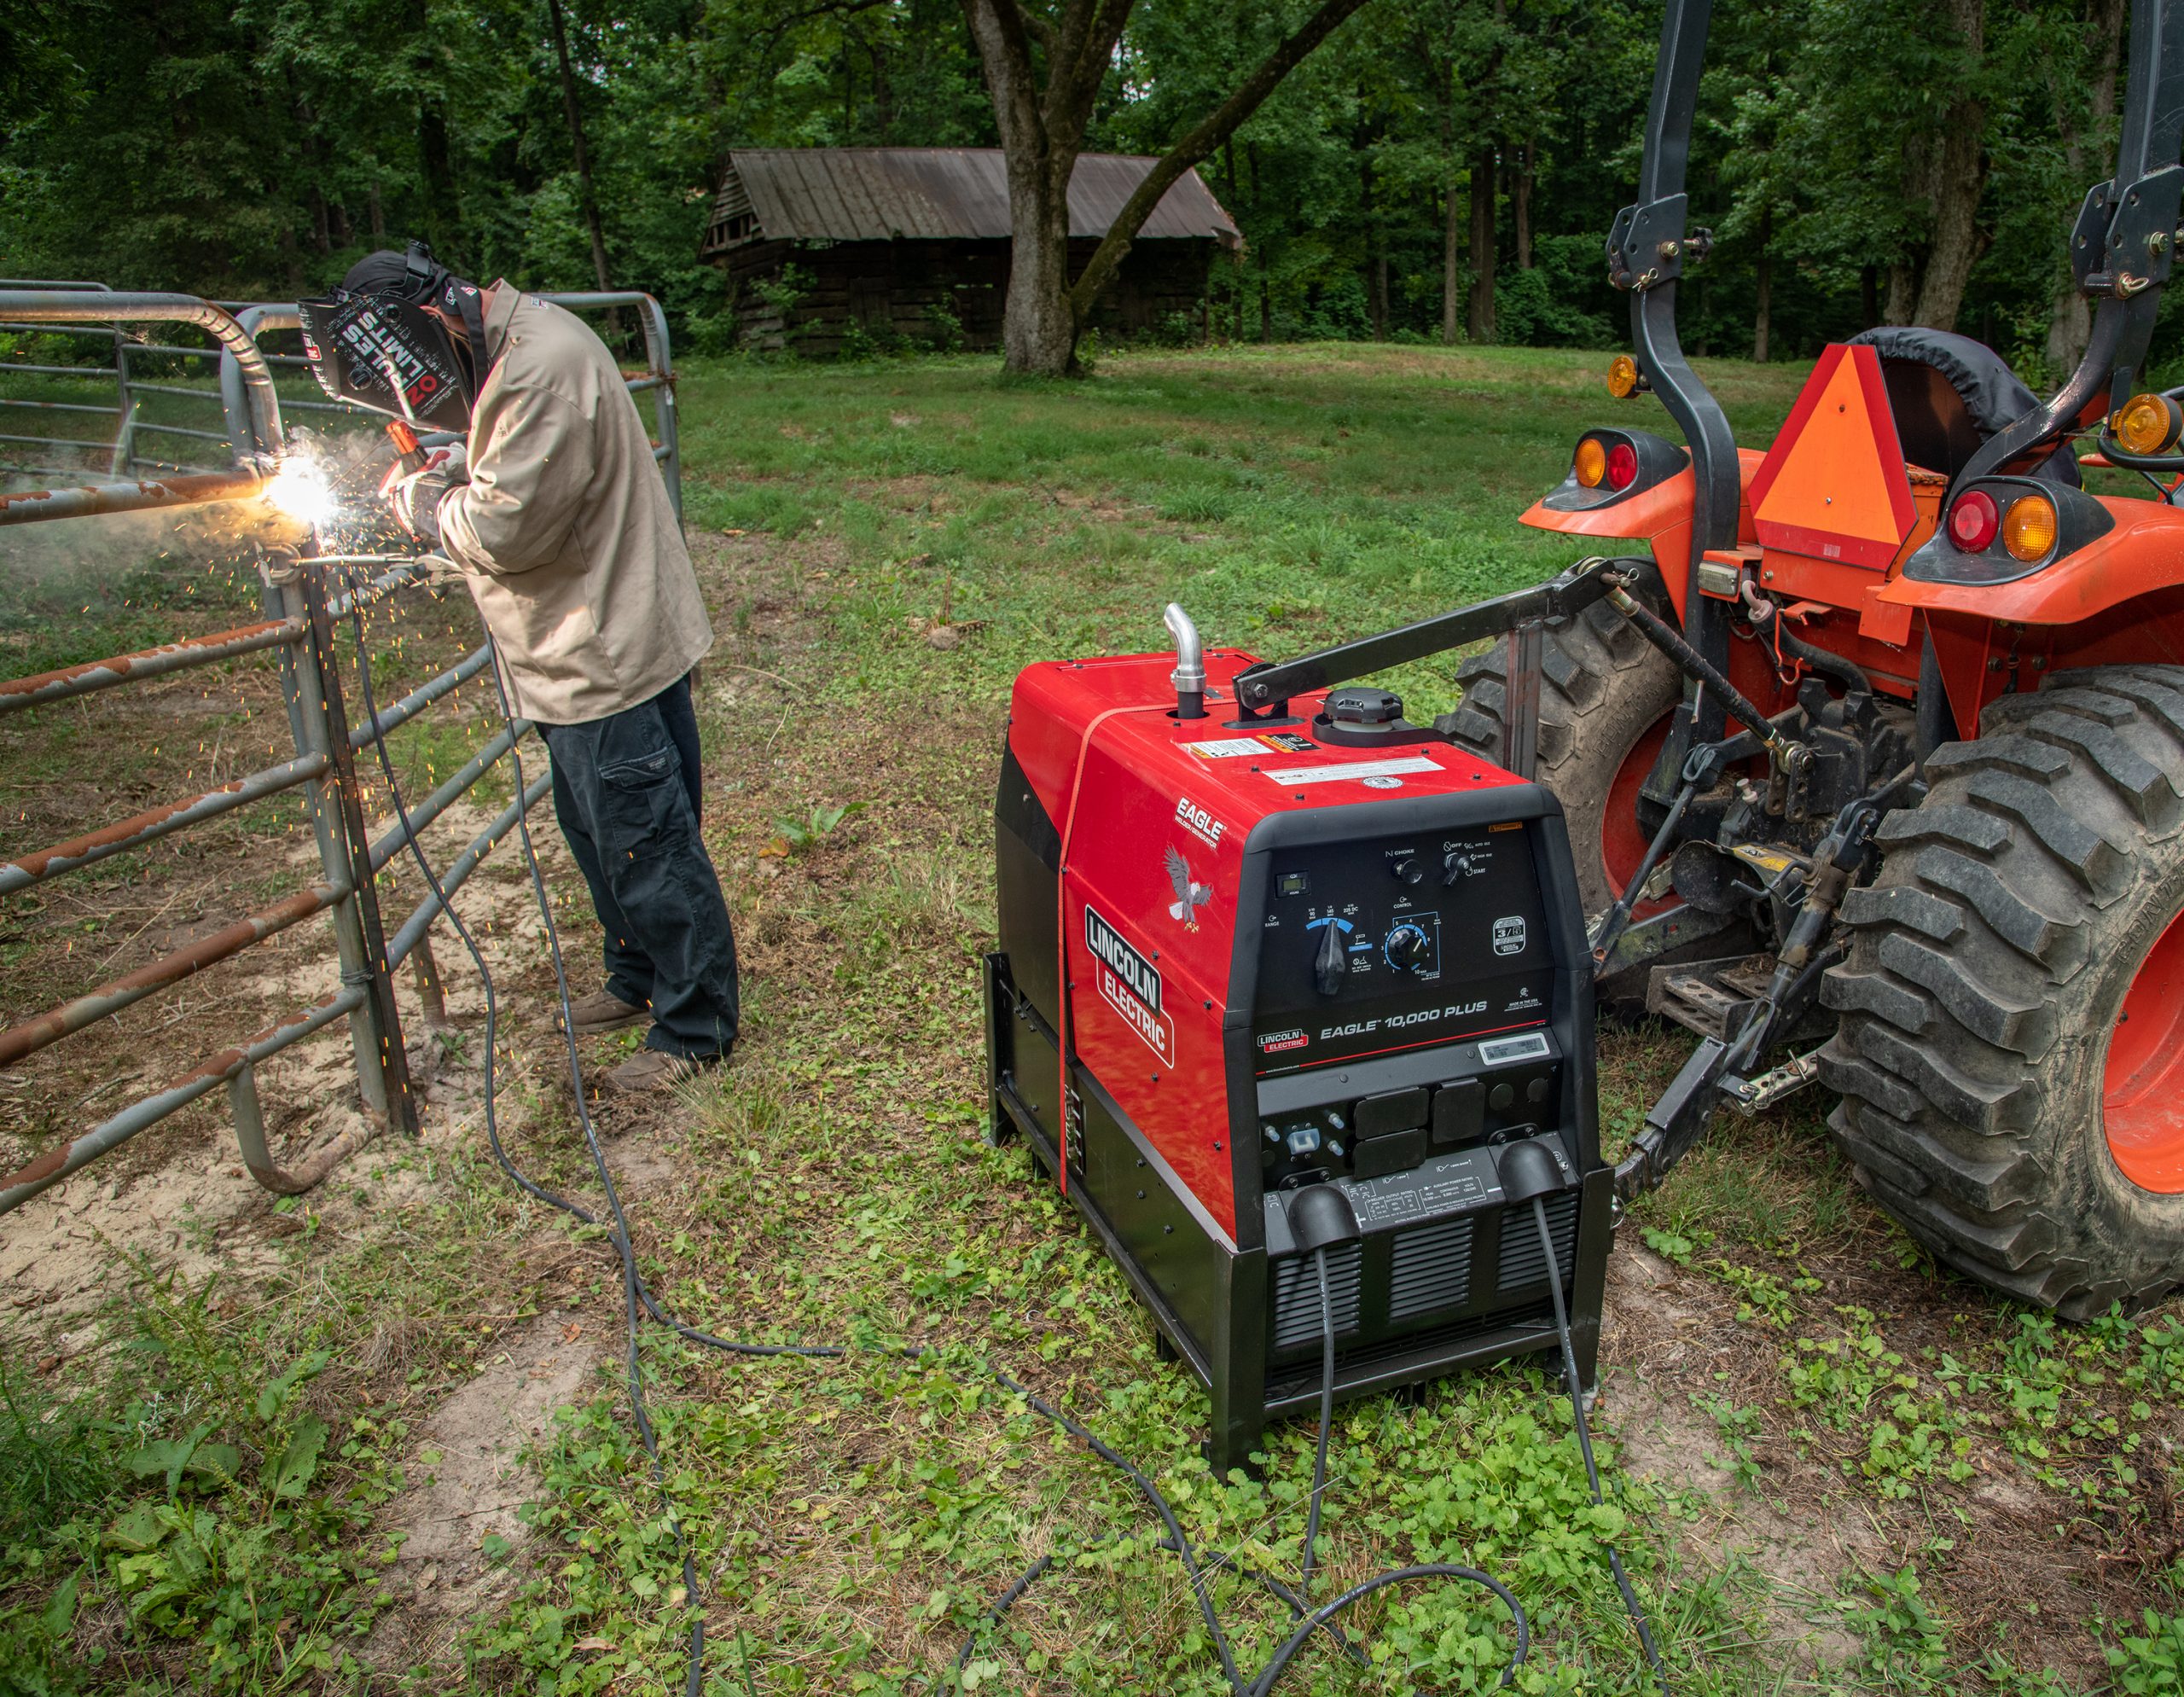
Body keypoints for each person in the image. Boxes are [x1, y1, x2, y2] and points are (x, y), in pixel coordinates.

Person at [300, 245, 739, 1093]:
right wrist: (459, 467)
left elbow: (505, 532)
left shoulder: (540, 366)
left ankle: (696, 1029)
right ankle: (639, 978)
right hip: (572, 645)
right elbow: (524, 467)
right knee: (598, 832)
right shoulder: (513, 348)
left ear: (428, 324)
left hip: (600, 650)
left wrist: (424, 502)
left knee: (645, 842)